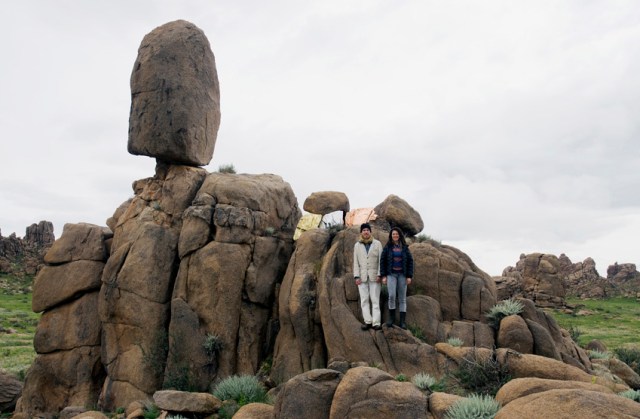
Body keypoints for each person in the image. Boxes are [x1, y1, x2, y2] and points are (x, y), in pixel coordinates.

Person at [380, 227, 414, 329]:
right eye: (393, 234)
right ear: (391, 236)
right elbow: (382, 261)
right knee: (391, 296)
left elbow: (410, 261)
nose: (395, 235)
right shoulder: (387, 247)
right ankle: (391, 319)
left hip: (402, 275)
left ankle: (402, 322)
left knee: (402, 298)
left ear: (399, 235)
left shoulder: (404, 247)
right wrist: (384, 275)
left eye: (397, 234)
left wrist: (409, 276)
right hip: (391, 275)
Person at [353, 223, 383, 330]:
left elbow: (381, 261)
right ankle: (367, 321)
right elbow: (356, 262)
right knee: (364, 300)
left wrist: (380, 274)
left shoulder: (377, 244)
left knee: (375, 299)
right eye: (364, 230)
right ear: (361, 232)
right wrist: (356, 276)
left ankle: (376, 322)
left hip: (375, 276)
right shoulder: (357, 245)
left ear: (370, 232)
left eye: (367, 230)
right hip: (362, 276)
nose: (366, 232)